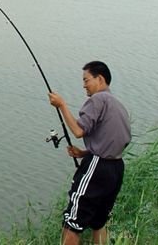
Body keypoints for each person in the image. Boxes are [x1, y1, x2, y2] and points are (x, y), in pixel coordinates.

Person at [48, 61, 131, 245]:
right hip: (116, 169)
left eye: (86, 80)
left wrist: (61, 105)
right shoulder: (118, 106)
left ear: (99, 79)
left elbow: (78, 131)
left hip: (97, 168)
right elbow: (117, 143)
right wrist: (85, 153)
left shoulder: (97, 100)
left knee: (72, 223)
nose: (84, 84)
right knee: (99, 223)